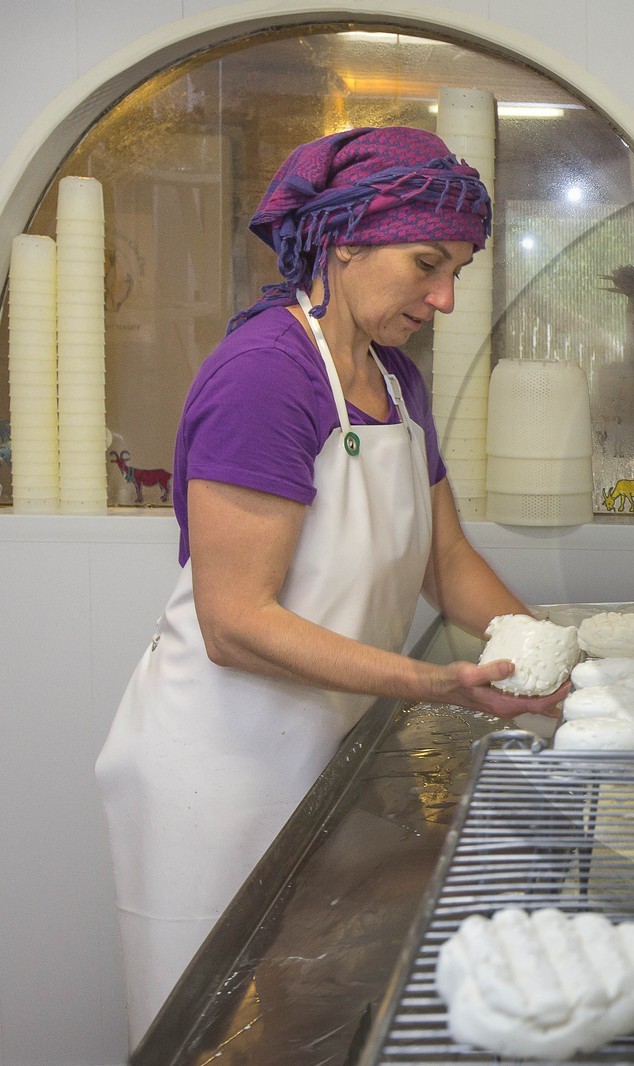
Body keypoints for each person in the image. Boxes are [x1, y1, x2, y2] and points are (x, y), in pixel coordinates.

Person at [93, 126, 566, 1045]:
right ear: (346, 236)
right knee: (217, 1030)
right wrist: (436, 682)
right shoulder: (265, 376)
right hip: (220, 765)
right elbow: (236, 624)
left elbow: (446, 560)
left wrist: (543, 653)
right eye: (428, 263)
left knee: (313, 1012)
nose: (446, 297)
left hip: (326, 738)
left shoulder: (396, 379)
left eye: (458, 269)